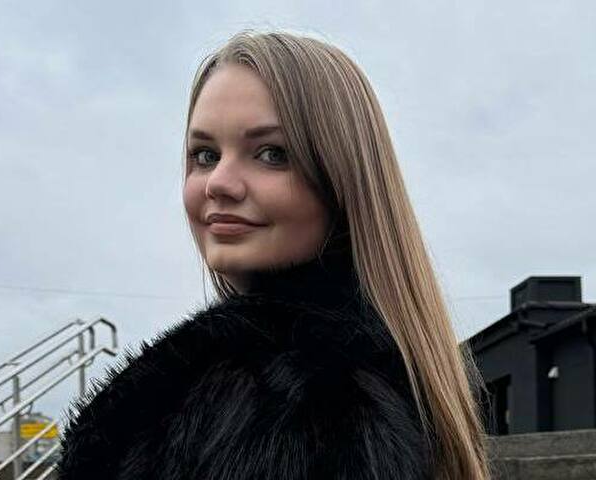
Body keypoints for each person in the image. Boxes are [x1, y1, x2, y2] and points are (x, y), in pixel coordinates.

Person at [56, 29, 491, 479]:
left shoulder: (306, 402)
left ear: (341, 179)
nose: (218, 182)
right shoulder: (372, 376)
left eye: (271, 153)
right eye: (205, 155)